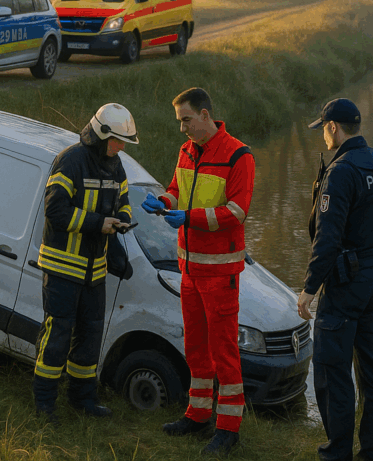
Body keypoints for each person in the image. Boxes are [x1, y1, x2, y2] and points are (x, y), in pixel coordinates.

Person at [141, 87, 255, 457]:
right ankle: (197, 415)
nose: (182, 128)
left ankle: (228, 429)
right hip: (189, 269)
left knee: (224, 352)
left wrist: (187, 217)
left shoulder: (239, 155)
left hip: (220, 273)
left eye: (186, 120)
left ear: (206, 115)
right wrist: (161, 202)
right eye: (180, 121)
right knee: (195, 349)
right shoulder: (187, 151)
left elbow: (237, 212)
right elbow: (176, 189)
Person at [297, 98, 373, 461]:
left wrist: (310, 288)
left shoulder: (341, 171)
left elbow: (327, 238)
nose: (323, 136)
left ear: (332, 128)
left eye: (323, 129)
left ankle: (337, 453)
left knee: (332, 370)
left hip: (343, 285)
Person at [32, 103, 136, 425]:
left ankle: (83, 400)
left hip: (95, 272)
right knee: (58, 335)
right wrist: (97, 224)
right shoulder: (70, 160)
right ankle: (45, 406)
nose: (120, 148)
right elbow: (55, 211)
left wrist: (122, 221)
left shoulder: (116, 166)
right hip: (63, 269)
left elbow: (125, 204)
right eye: (117, 141)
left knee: (90, 337)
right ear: (101, 135)